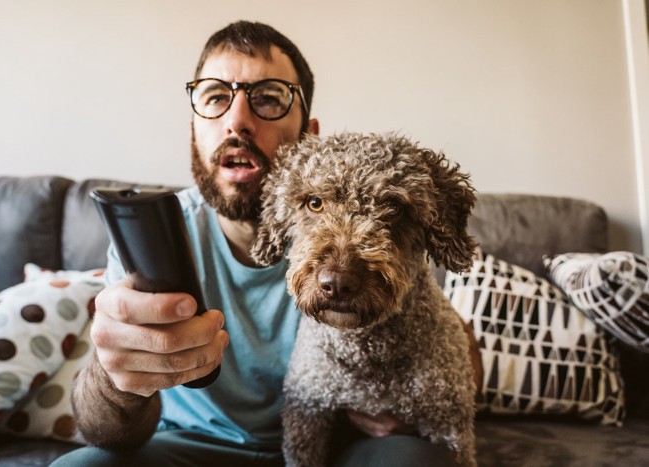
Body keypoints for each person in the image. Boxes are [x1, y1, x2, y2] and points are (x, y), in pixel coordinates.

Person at [52, 20, 459, 467]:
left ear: (310, 137)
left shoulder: (376, 233)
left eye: (267, 98)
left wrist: (406, 404)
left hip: (337, 448)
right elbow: (105, 433)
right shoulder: (150, 239)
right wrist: (114, 377)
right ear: (194, 126)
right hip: (187, 446)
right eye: (215, 98)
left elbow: (452, 350)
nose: (237, 121)